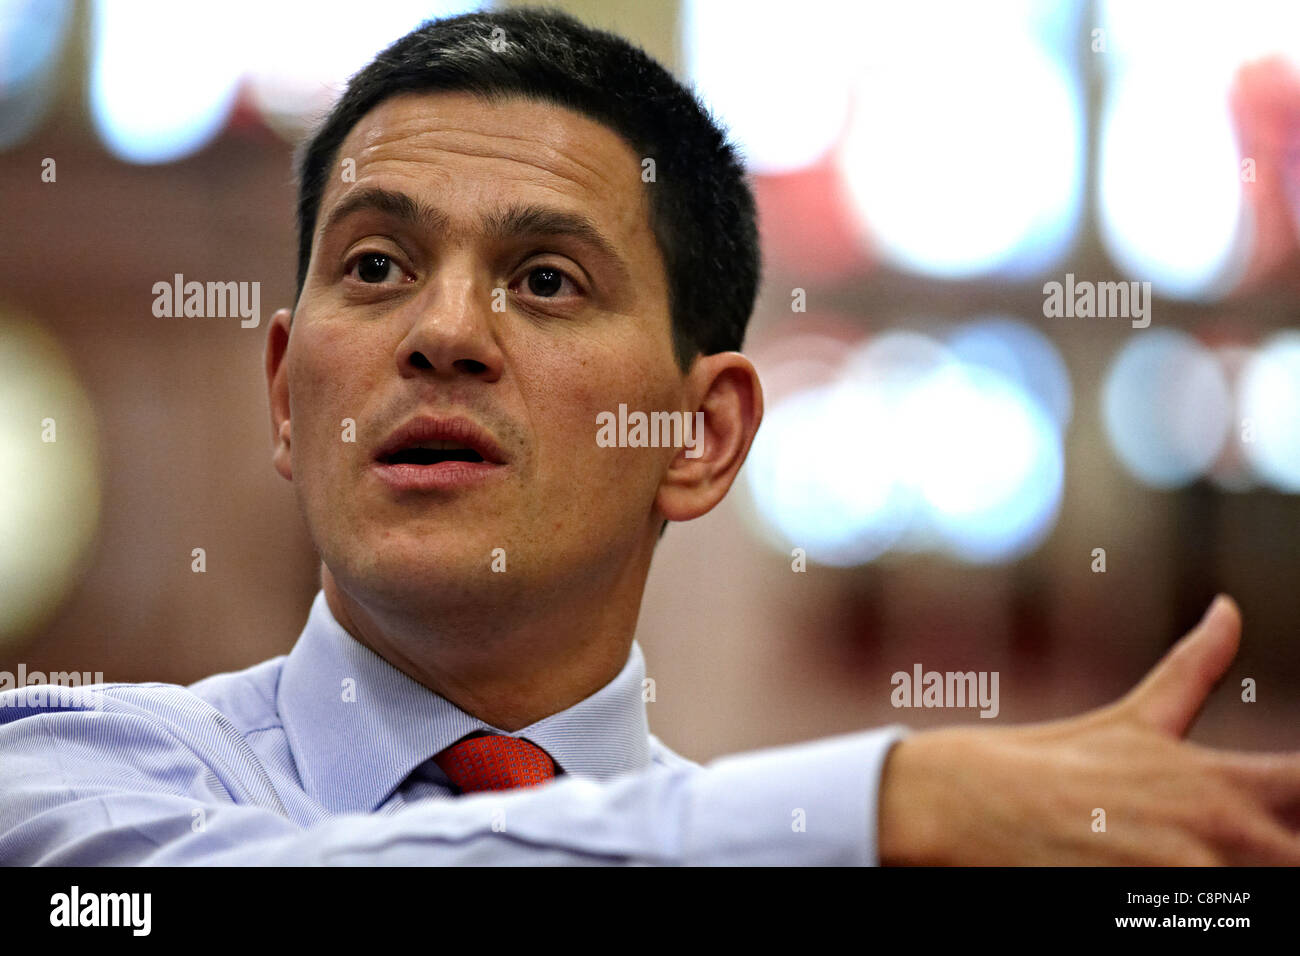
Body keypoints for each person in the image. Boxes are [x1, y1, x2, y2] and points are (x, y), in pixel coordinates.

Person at [1, 8, 1296, 866]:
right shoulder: (75, 784)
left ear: (702, 434)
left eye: (548, 281)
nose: (443, 332)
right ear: (287, 392)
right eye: (380, 264)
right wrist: (896, 805)